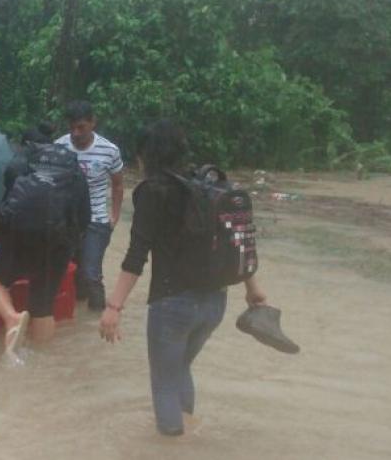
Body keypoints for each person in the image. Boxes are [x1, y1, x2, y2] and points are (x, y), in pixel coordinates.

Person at [98, 120, 268, 436]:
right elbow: (237, 236)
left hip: (173, 303)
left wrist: (114, 307)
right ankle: (188, 434)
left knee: (163, 381)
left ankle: (172, 445)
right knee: (179, 369)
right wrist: (253, 288)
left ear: (145, 156)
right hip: (215, 302)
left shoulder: (152, 191)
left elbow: (136, 256)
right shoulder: (205, 186)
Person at [0, 142, 90, 363]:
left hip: (19, 236)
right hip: (58, 243)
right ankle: (40, 362)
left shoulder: (22, 166)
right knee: (43, 305)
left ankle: (12, 318)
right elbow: (84, 219)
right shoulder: (76, 175)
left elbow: (6, 210)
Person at [55, 101, 124, 311]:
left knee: (91, 273)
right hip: (67, 220)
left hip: (97, 220)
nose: (76, 133)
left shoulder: (109, 150)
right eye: (72, 127)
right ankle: (76, 324)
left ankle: (98, 320)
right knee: (70, 272)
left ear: (93, 122)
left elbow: (118, 185)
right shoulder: (59, 146)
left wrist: (114, 216)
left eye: (81, 127)